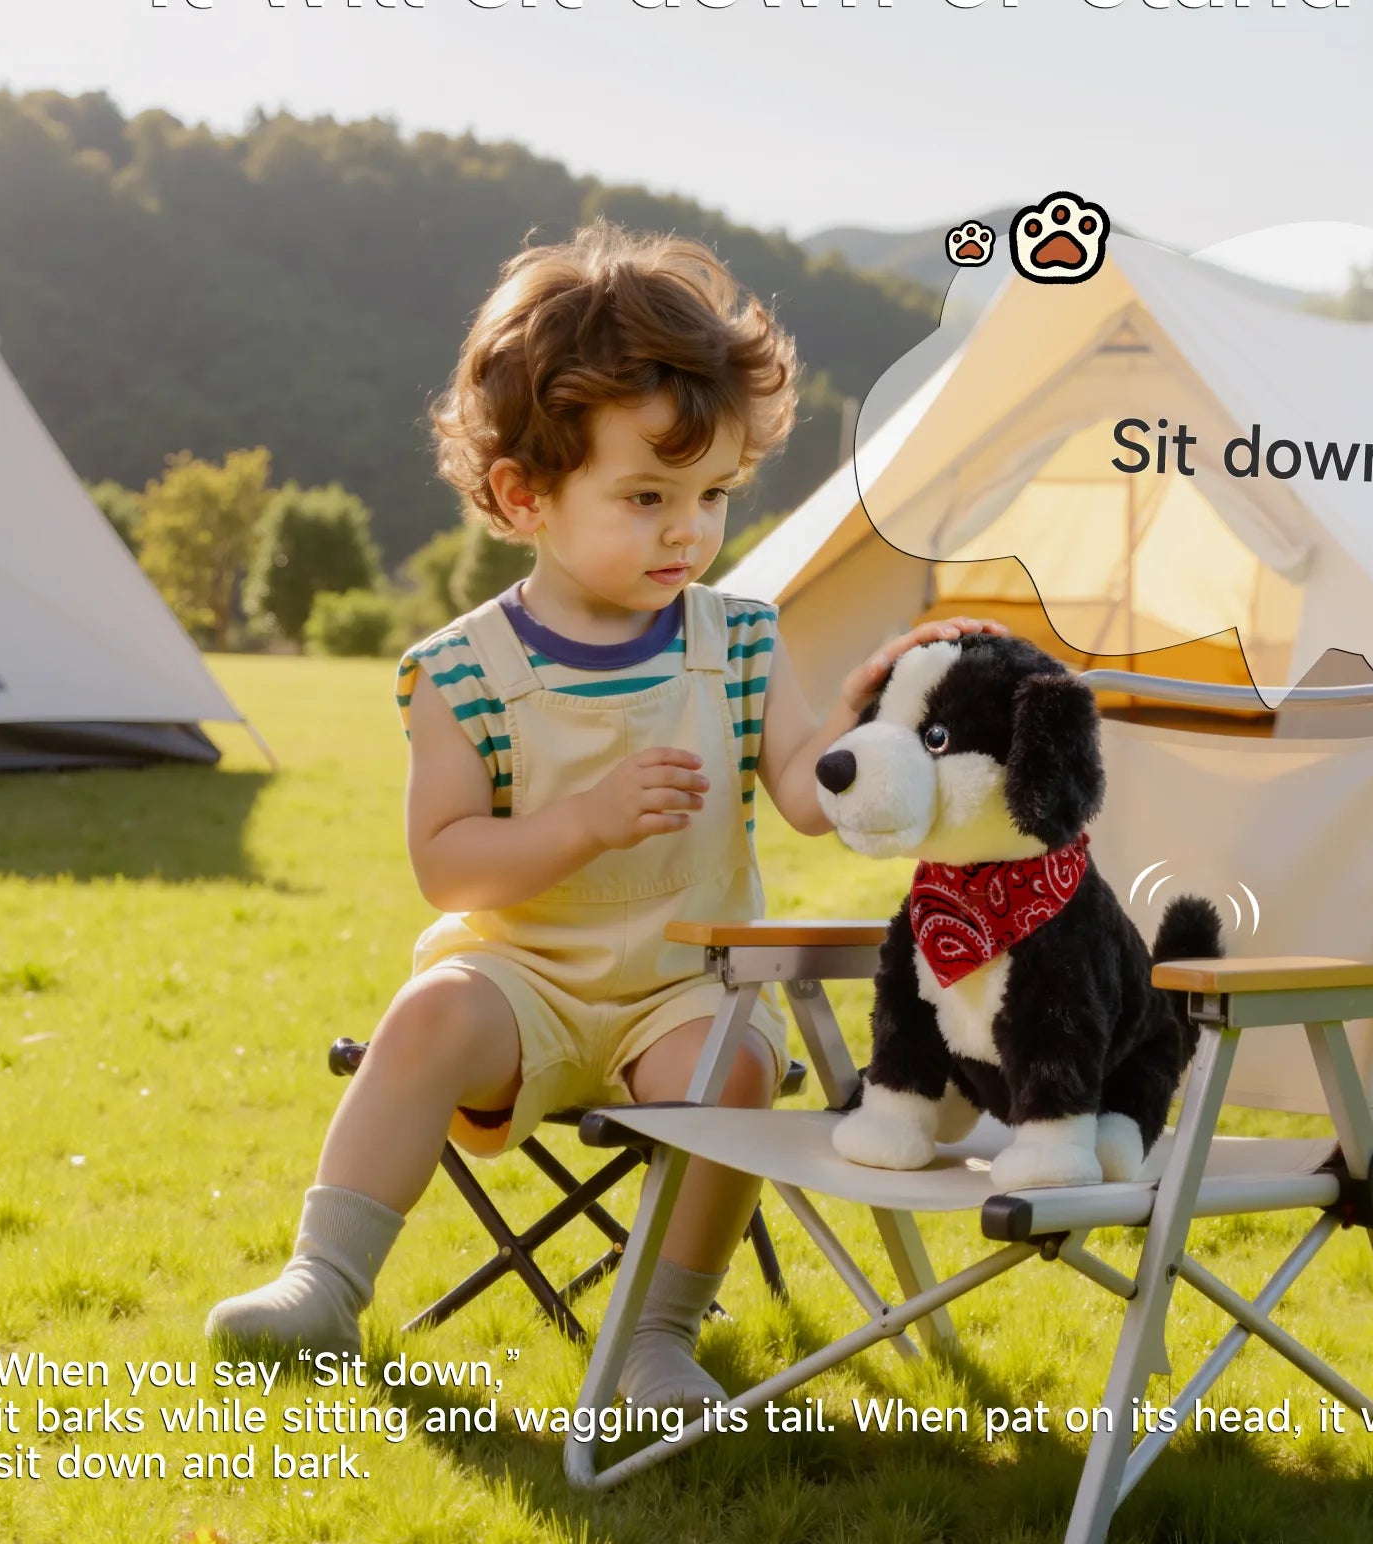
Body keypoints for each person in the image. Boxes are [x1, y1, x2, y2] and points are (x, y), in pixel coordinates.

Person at [206, 219, 1002, 1409]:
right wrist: (584, 820)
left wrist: (861, 737)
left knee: (734, 1076)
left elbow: (799, 792)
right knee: (425, 1016)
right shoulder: (460, 672)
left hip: (687, 988)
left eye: (713, 493)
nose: (688, 528)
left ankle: (656, 1335)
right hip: (522, 975)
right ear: (526, 496)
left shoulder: (738, 640)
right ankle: (323, 1281)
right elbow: (449, 868)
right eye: (646, 495)